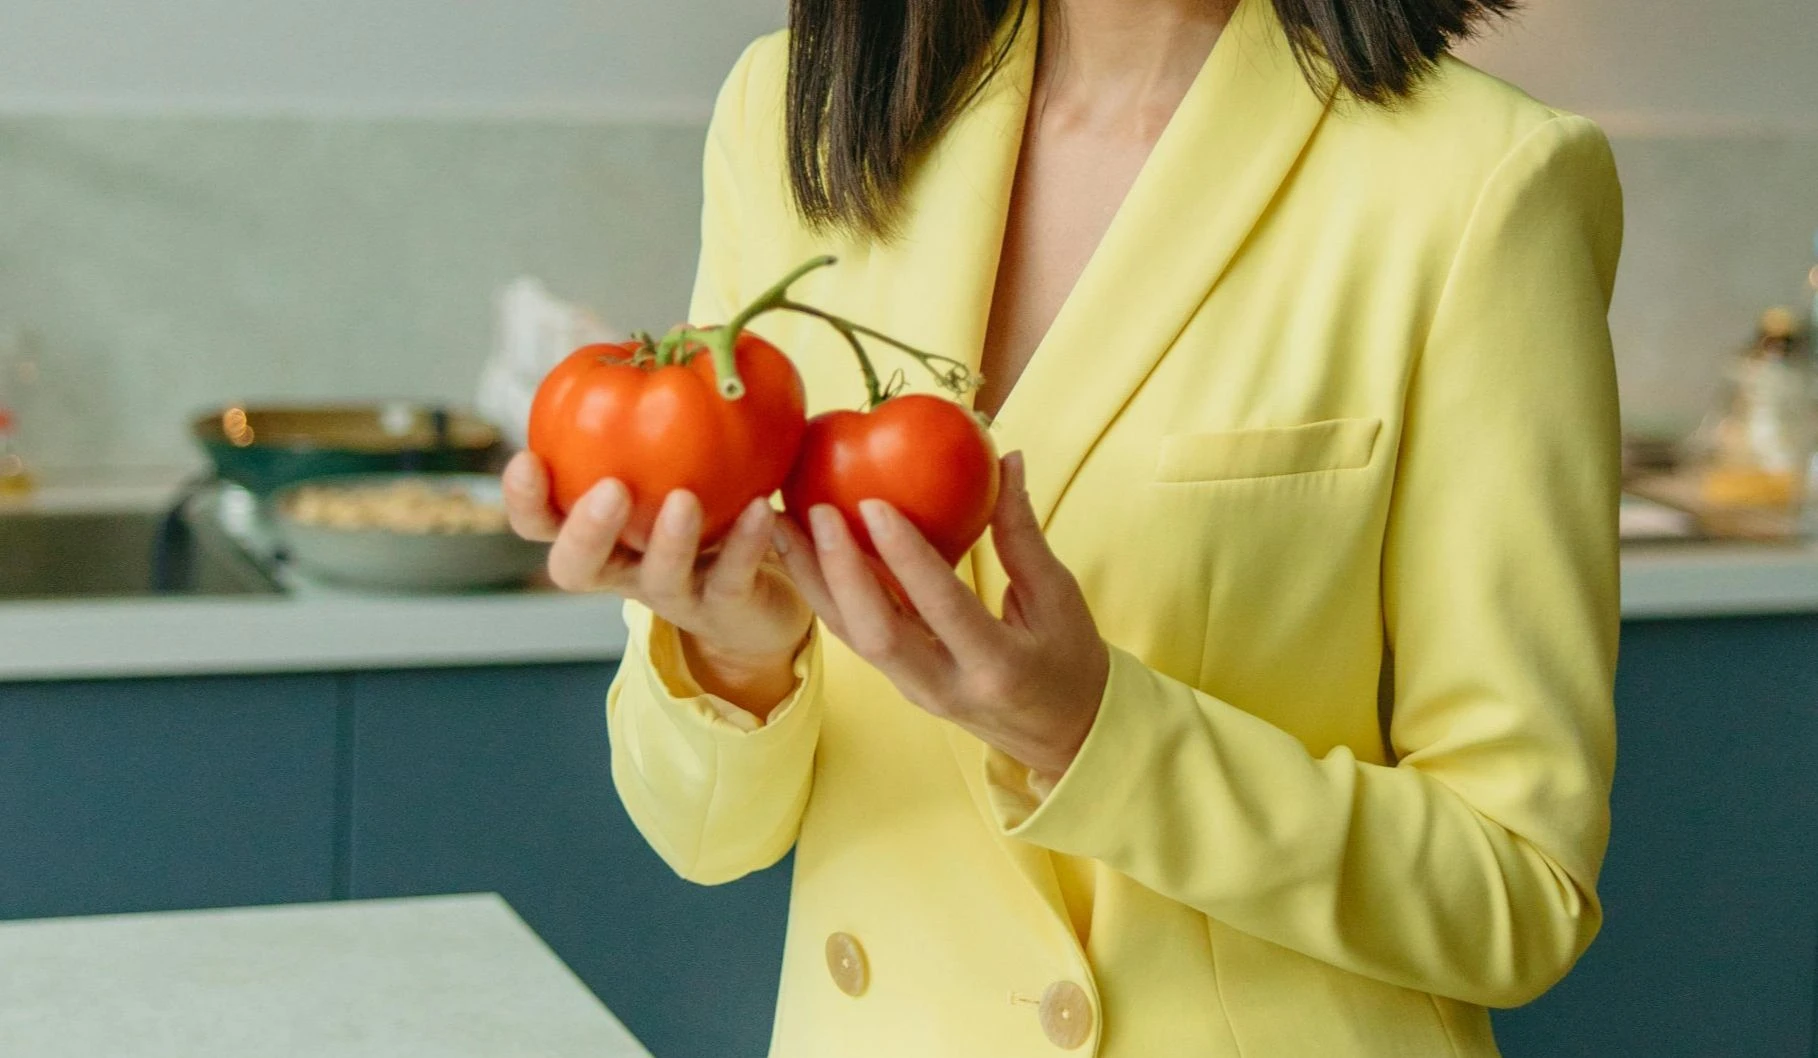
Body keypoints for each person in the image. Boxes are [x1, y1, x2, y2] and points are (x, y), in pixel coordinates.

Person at [504, 0, 1623, 1052]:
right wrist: (736, 653)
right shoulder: (797, 109)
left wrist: (1091, 731)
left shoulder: (1483, 179)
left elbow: (1518, 895)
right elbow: (703, 835)